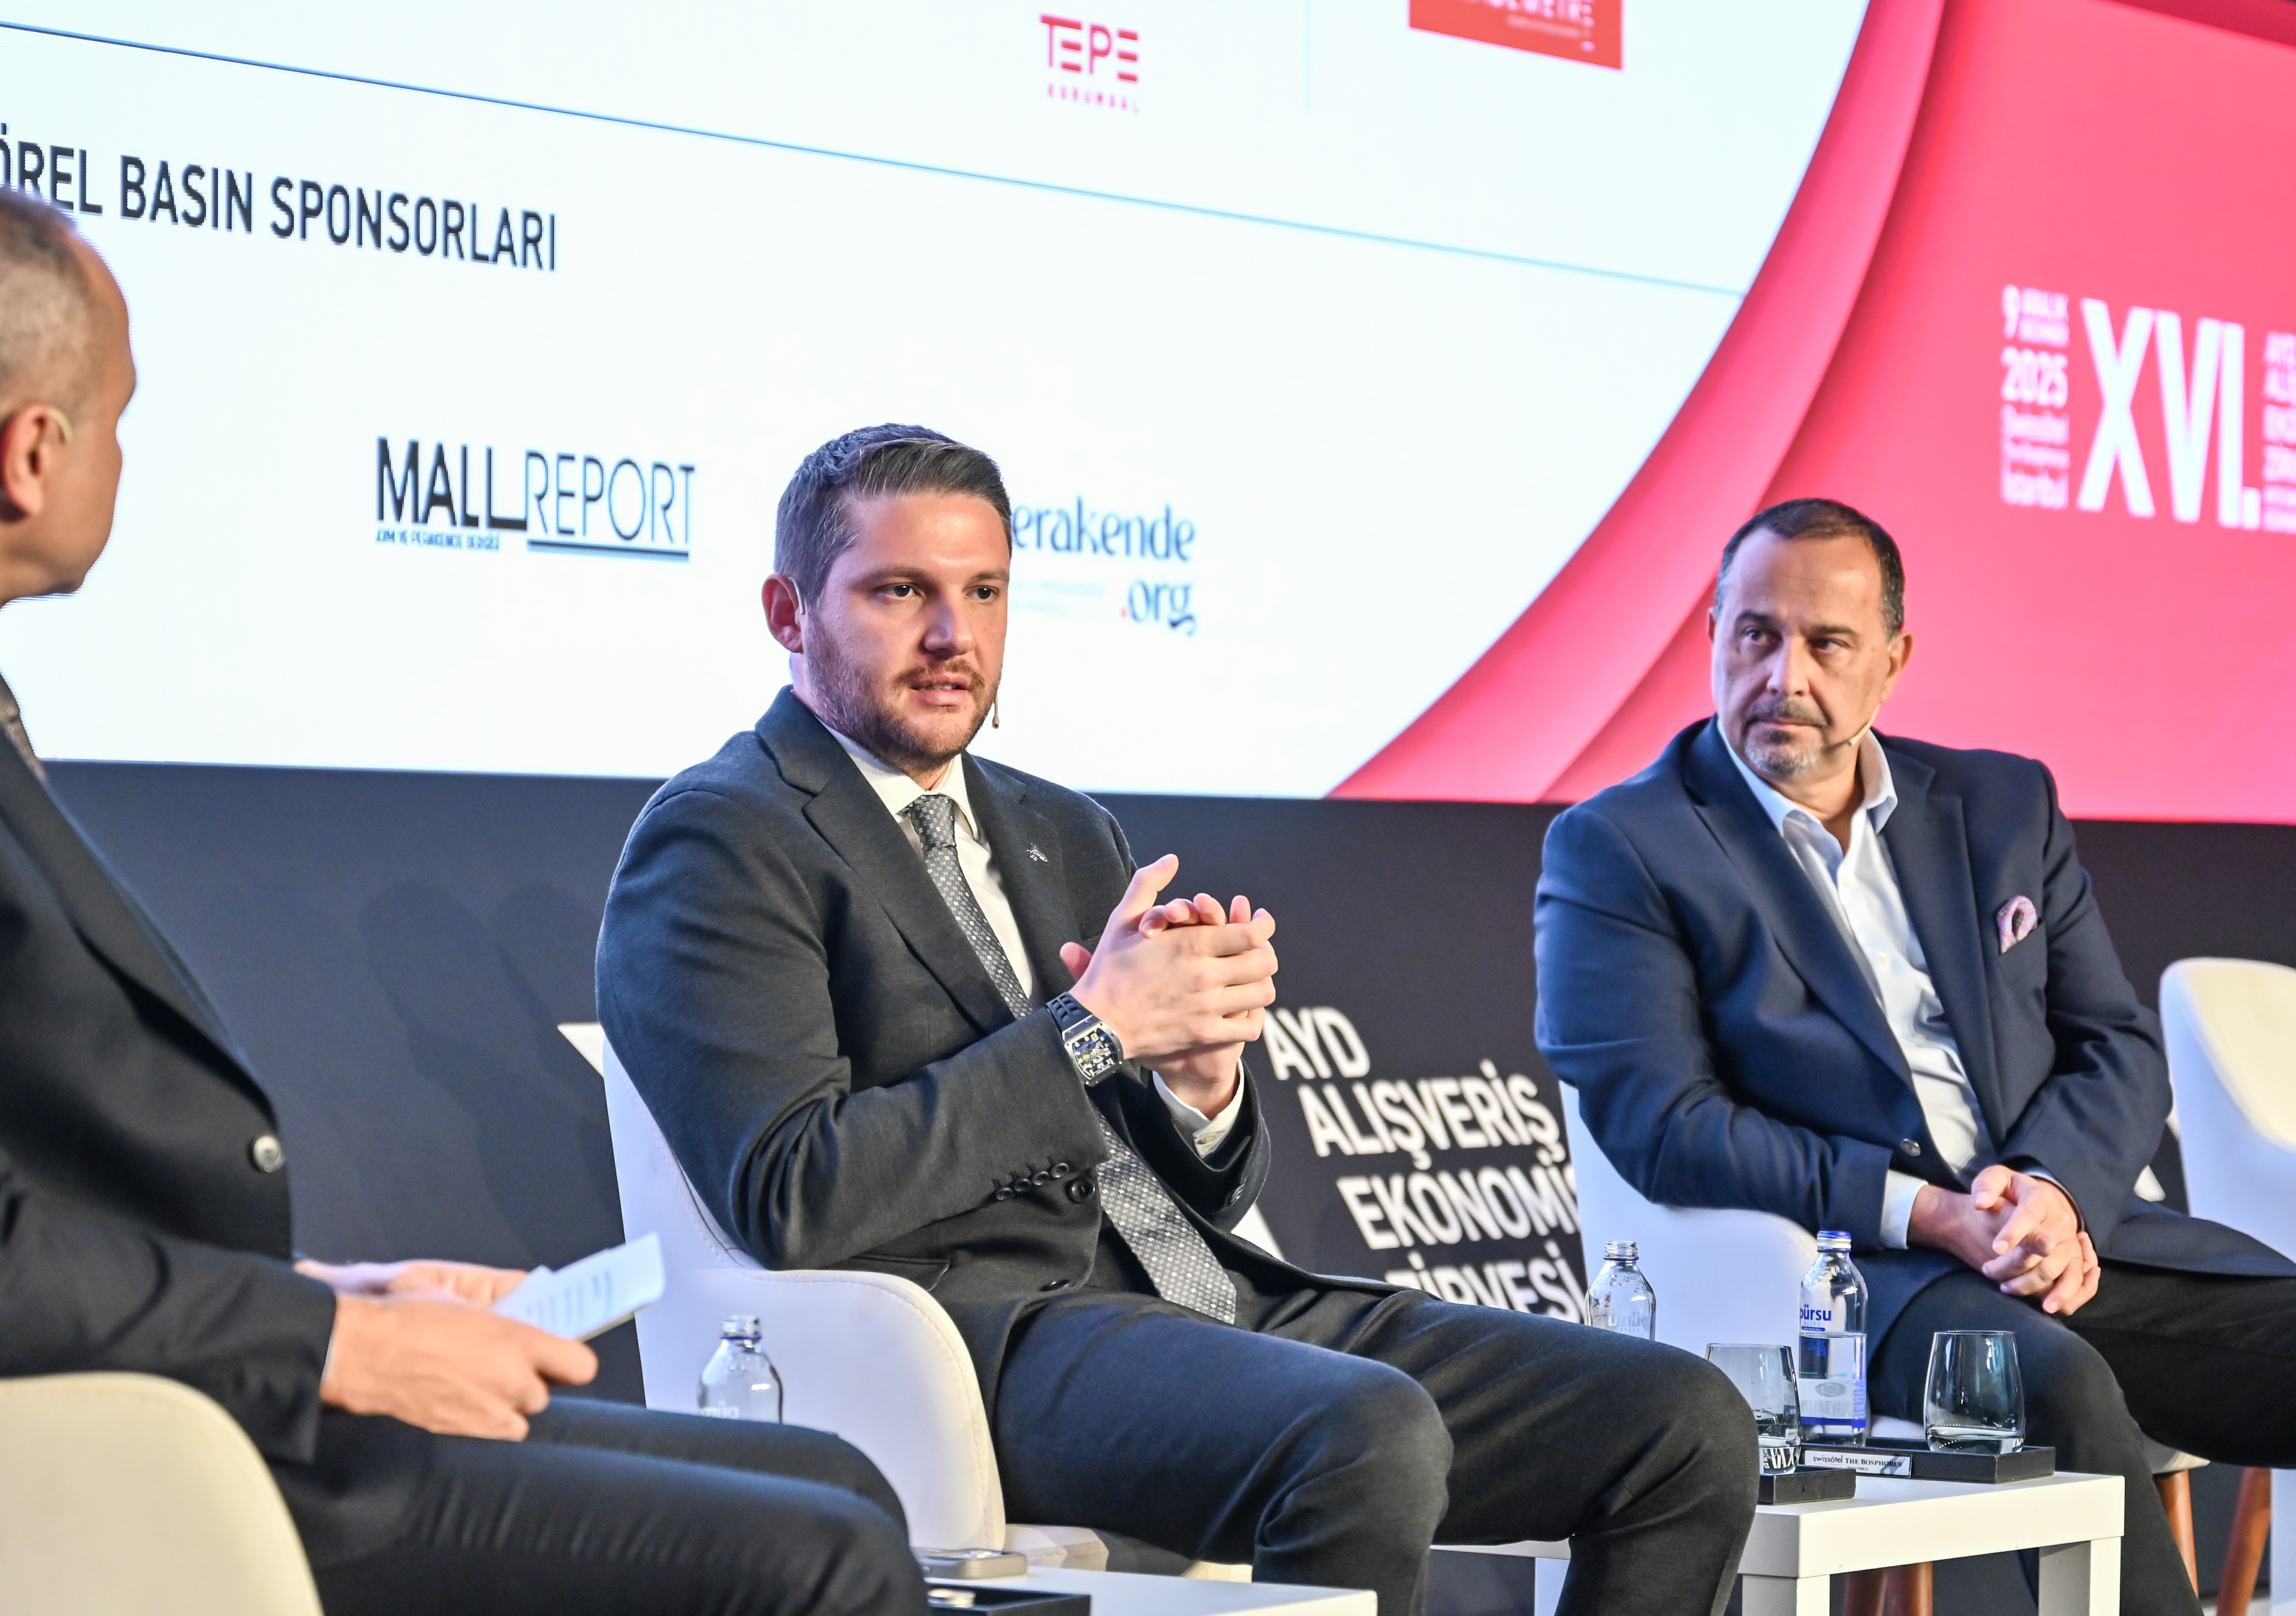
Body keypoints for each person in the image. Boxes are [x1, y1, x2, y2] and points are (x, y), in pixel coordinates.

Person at [0, 182, 925, 1616]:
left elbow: (0, 1185)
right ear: (34, 450)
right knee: (828, 1556)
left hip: (178, 1385)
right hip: (111, 1455)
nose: (124, 459)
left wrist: (343, 1293)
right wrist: (338, 1344)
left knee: (842, 1484)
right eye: (121, 420)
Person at [598, 422, 1760, 1616]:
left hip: (1205, 1300)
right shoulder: (723, 839)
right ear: (788, 613)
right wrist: (1089, 1031)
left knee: (1682, 1424)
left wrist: (1198, 1088)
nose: (954, 636)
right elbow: (792, 1192)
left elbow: (1188, 1183)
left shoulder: (1063, 828)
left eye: (984, 591)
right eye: (901, 592)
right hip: (976, 1343)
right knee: (1364, 1433)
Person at [1534, 497, 2296, 1615]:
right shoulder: (1622, 845)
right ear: (1713, 636)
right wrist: (1926, 1213)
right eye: (1756, 635)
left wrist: (2052, 1194)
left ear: (1893, 663)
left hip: (2059, 1239)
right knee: (2048, 1380)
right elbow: (1664, 1124)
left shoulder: (2000, 804)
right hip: (1851, 1279)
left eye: (1827, 644)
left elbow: (2115, 1043)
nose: (1785, 676)